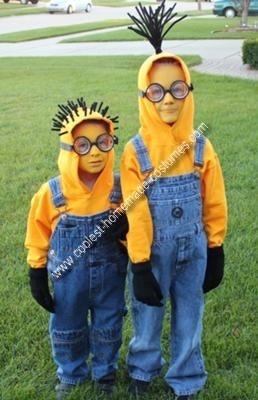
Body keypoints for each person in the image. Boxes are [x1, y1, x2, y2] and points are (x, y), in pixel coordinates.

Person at [120, 2, 228, 399]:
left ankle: (186, 377)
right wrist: (141, 264)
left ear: (188, 91)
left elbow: (213, 200)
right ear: (144, 95)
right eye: (157, 90)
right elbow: (134, 211)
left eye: (177, 89)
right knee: (147, 314)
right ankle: (143, 371)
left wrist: (215, 248)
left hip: (194, 248)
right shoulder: (136, 152)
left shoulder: (200, 147)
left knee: (190, 316)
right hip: (153, 251)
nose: (168, 99)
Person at [25, 98, 128, 400]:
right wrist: (36, 271)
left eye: (103, 142)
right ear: (69, 149)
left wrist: (127, 227)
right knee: (67, 327)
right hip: (68, 279)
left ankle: (105, 372)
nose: (95, 152)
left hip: (111, 276)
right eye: (83, 145)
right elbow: (38, 231)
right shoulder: (52, 194)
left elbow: (139, 227)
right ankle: (70, 373)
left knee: (109, 325)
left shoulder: (119, 189)